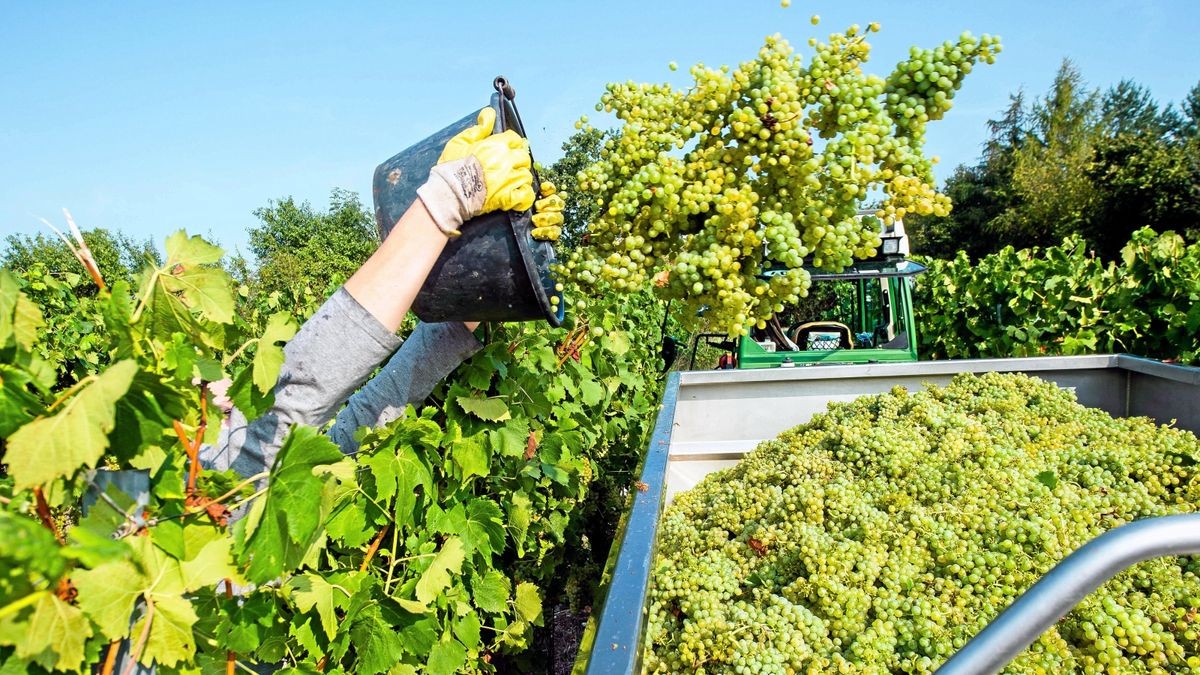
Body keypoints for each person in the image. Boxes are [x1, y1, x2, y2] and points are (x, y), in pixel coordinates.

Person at [108, 108, 563, 674]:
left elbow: (359, 418)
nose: (227, 379)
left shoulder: (210, 464)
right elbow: (294, 403)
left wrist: (484, 278)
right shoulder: (123, 497)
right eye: (197, 371)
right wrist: (444, 202)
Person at [201, 106, 563, 476]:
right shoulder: (163, 493)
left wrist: (489, 257)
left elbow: (359, 425)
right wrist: (450, 196)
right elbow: (274, 431)